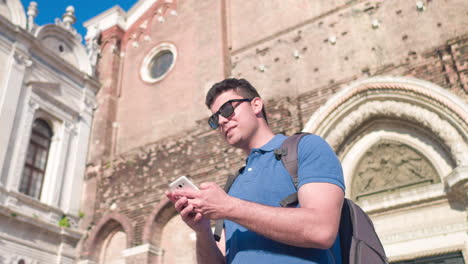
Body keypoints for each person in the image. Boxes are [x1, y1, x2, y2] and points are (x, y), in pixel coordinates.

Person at [166, 78, 345, 264]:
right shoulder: (231, 188)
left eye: (227, 109)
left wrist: (228, 207)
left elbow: (321, 230)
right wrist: (202, 230)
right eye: (214, 119)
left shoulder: (305, 147)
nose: (220, 120)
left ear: (256, 105)